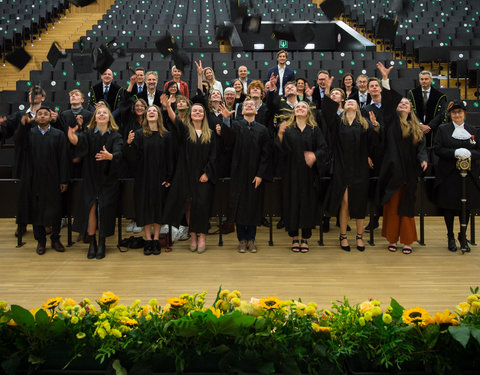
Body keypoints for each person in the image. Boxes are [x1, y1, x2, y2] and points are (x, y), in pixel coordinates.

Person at [375, 62, 428, 255]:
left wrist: (423, 159)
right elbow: (388, 100)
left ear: (411, 108)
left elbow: (422, 147)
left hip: (409, 172)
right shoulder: (391, 122)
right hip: (393, 172)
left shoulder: (416, 127)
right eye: (401, 103)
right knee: (392, 205)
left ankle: (406, 241)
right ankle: (392, 239)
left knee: (406, 206)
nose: (403, 104)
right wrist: (385, 79)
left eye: (406, 103)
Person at [322, 78, 380, 252]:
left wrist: (376, 126)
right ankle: (343, 236)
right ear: (344, 105)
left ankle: (360, 237)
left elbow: (374, 144)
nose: (350, 103)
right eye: (348, 102)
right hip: (342, 166)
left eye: (353, 102)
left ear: (358, 107)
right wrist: (327, 91)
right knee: (345, 202)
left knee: (360, 202)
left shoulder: (364, 124)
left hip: (360, 167)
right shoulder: (337, 123)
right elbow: (327, 112)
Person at [67, 104, 123, 259]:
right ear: (95, 117)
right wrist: (72, 137)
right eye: (99, 113)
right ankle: (92, 242)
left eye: (105, 112)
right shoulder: (88, 133)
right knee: (91, 208)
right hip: (91, 177)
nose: (102, 115)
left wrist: (110, 156)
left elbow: (119, 152)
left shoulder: (116, 135)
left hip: (108, 178)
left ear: (109, 117)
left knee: (104, 209)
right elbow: (79, 143)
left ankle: (102, 243)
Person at [163, 95, 216, 254]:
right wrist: (168, 107)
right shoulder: (186, 130)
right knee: (189, 206)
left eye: (200, 111)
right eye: (195, 111)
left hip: (204, 177)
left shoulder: (210, 134)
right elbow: (175, 121)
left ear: (204, 114)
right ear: (190, 113)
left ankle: (202, 237)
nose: (198, 113)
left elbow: (214, 156)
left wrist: (207, 172)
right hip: (187, 175)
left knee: (203, 206)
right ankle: (193, 235)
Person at [218, 98, 271, 253]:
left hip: (255, 175)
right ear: (241, 112)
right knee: (240, 207)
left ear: (256, 111)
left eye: (252, 105)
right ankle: (242, 240)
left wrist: (261, 174)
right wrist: (226, 119)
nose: (249, 106)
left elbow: (266, 155)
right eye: (246, 105)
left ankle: (251, 239)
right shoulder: (235, 126)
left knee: (253, 207)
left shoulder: (262, 130)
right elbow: (227, 141)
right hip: (238, 174)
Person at [14, 106, 69, 255]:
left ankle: (56, 238)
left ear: (51, 118)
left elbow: (63, 158)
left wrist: (63, 180)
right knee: (37, 211)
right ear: (35, 117)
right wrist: (23, 125)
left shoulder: (58, 135)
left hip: (53, 178)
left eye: (46, 114)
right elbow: (18, 141)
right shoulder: (29, 134)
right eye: (40, 114)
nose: (43, 116)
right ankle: (41, 241)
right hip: (34, 179)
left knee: (56, 211)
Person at [275, 101, 328, 253]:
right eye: (297, 107)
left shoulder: (314, 130)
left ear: (308, 112)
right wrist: (279, 134)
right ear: (294, 112)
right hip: (291, 174)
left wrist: (314, 155)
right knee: (292, 204)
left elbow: (324, 149)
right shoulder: (289, 130)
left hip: (308, 175)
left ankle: (305, 238)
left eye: (303, 107)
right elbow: (281, 151)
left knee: (307, 204)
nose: (300, 108)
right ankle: (294, 238)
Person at [124, 105, 173, 255]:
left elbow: (170, 159)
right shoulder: (138, 135)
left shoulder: (166, 135)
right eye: (149, 111)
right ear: (145, 116)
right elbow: (132, 160)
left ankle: (156, 239)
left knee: (158, 208)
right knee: (145, 208)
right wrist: (129, 144)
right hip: (143, 177)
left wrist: (169, 177)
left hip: (160, 178)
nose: (151, 112)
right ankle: (147, 239)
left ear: (159, 115)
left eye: (154, 111)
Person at [433, 100, 480, 252]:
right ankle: (450, 236)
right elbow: (437, 149)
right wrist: (454, 153)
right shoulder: (443, 129)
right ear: (450, 114)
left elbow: (478, 151)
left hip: (468, 176)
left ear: (464, 114)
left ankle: (463, 234)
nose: (457, 115)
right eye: (454, 112)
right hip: (449, 174)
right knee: (449, 207)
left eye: (460, 112)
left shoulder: (473, 130)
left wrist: (470, 154)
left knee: (465, 207)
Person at [407, 70, 448, 150]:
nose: (424, 81)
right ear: (419, 80)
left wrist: (430, 126)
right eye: (422, 79)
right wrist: (420, 124)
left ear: (431, 80)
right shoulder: (412, 93)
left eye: (426, 79)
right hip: (417, 127)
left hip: (433, 129)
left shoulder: (439, 96)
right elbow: (411, 111)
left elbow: (441, 113)